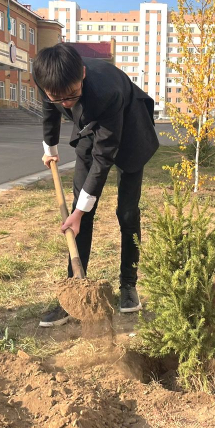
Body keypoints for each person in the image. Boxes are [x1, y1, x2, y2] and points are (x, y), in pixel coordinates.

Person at [34, 43, 159, 327]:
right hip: (91, 129)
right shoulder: (46, 78)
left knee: (126, 212)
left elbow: (103, 158)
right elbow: (48, 110)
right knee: (82, 213)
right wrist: (50, 147)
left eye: (71, 96)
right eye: (58, 97)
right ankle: (74, 293)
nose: (65, 103)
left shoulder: (106, 92)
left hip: (130, 132)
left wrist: (78, 212)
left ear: (84, 75)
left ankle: (128, 285)